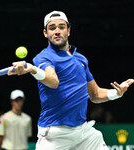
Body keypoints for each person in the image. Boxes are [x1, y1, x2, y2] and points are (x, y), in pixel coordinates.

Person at [7, 11, 134, 150]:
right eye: (52, 28)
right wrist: (33, 69)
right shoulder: (43, 57)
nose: (57, 31)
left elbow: (95, 94)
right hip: (54, 135)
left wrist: (117, 93)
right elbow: (53, 81)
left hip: (83, 134)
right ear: (45, 33)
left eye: (61, 27)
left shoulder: (81, 59)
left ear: (68, 31)